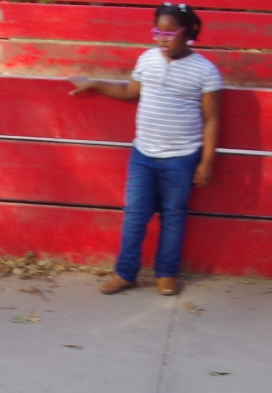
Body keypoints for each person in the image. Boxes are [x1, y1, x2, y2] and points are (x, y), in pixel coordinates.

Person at [66, 2, 221, 297]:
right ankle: (125, 273)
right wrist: (95, 84)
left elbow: (212, 119)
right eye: (157, 32)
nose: (162, 39)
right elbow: (129, 91)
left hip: (181, 157)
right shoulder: (147, 59)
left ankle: (166, 274)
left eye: (169, 32)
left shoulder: (205, 71)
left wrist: (206, 162)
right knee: (135, 214)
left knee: (173, 215)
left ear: (188, 32)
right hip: (143, 155)